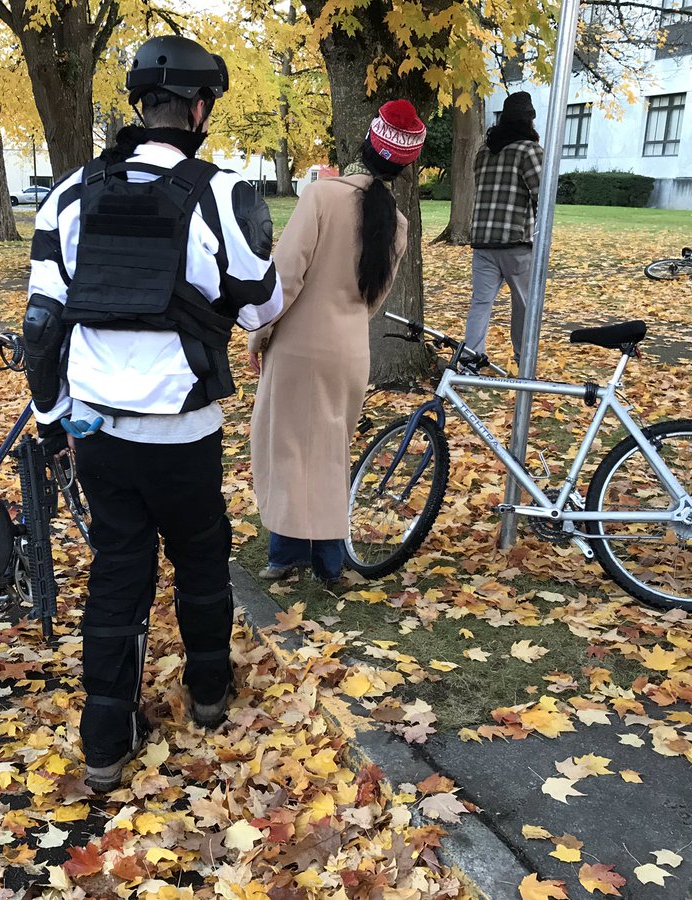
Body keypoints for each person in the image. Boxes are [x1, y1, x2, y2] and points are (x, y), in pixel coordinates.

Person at [22, 35, 283, 792]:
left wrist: (52, 417)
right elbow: (260, 304)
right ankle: (207, 694)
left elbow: (42, 323)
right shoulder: (226, 193)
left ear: (141, 104)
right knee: (201, 556)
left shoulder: (69, 191)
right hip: (185, 431)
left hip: (97, 427)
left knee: (117, 572)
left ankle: (105, 737)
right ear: (199, 109)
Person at [247, 102, 420, 584]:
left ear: (366, 144)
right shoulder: (397, 224)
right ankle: (328, 561)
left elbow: (284, 277)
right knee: (329, 453)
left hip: (300, 345)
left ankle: (284, 556)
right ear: (404, 166)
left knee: (286, 449)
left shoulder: (321, 197)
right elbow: (374, 299)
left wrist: (258, 336)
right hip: (350, 349)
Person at [463, 91, 544, 365]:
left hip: (483, 241)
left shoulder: (484, 152)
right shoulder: (529, 151)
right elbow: (542, 195)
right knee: (524, 305)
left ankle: (471, 361)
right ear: (529, 121)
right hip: (516, 242)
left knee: (481, 304)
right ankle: (524, 362)